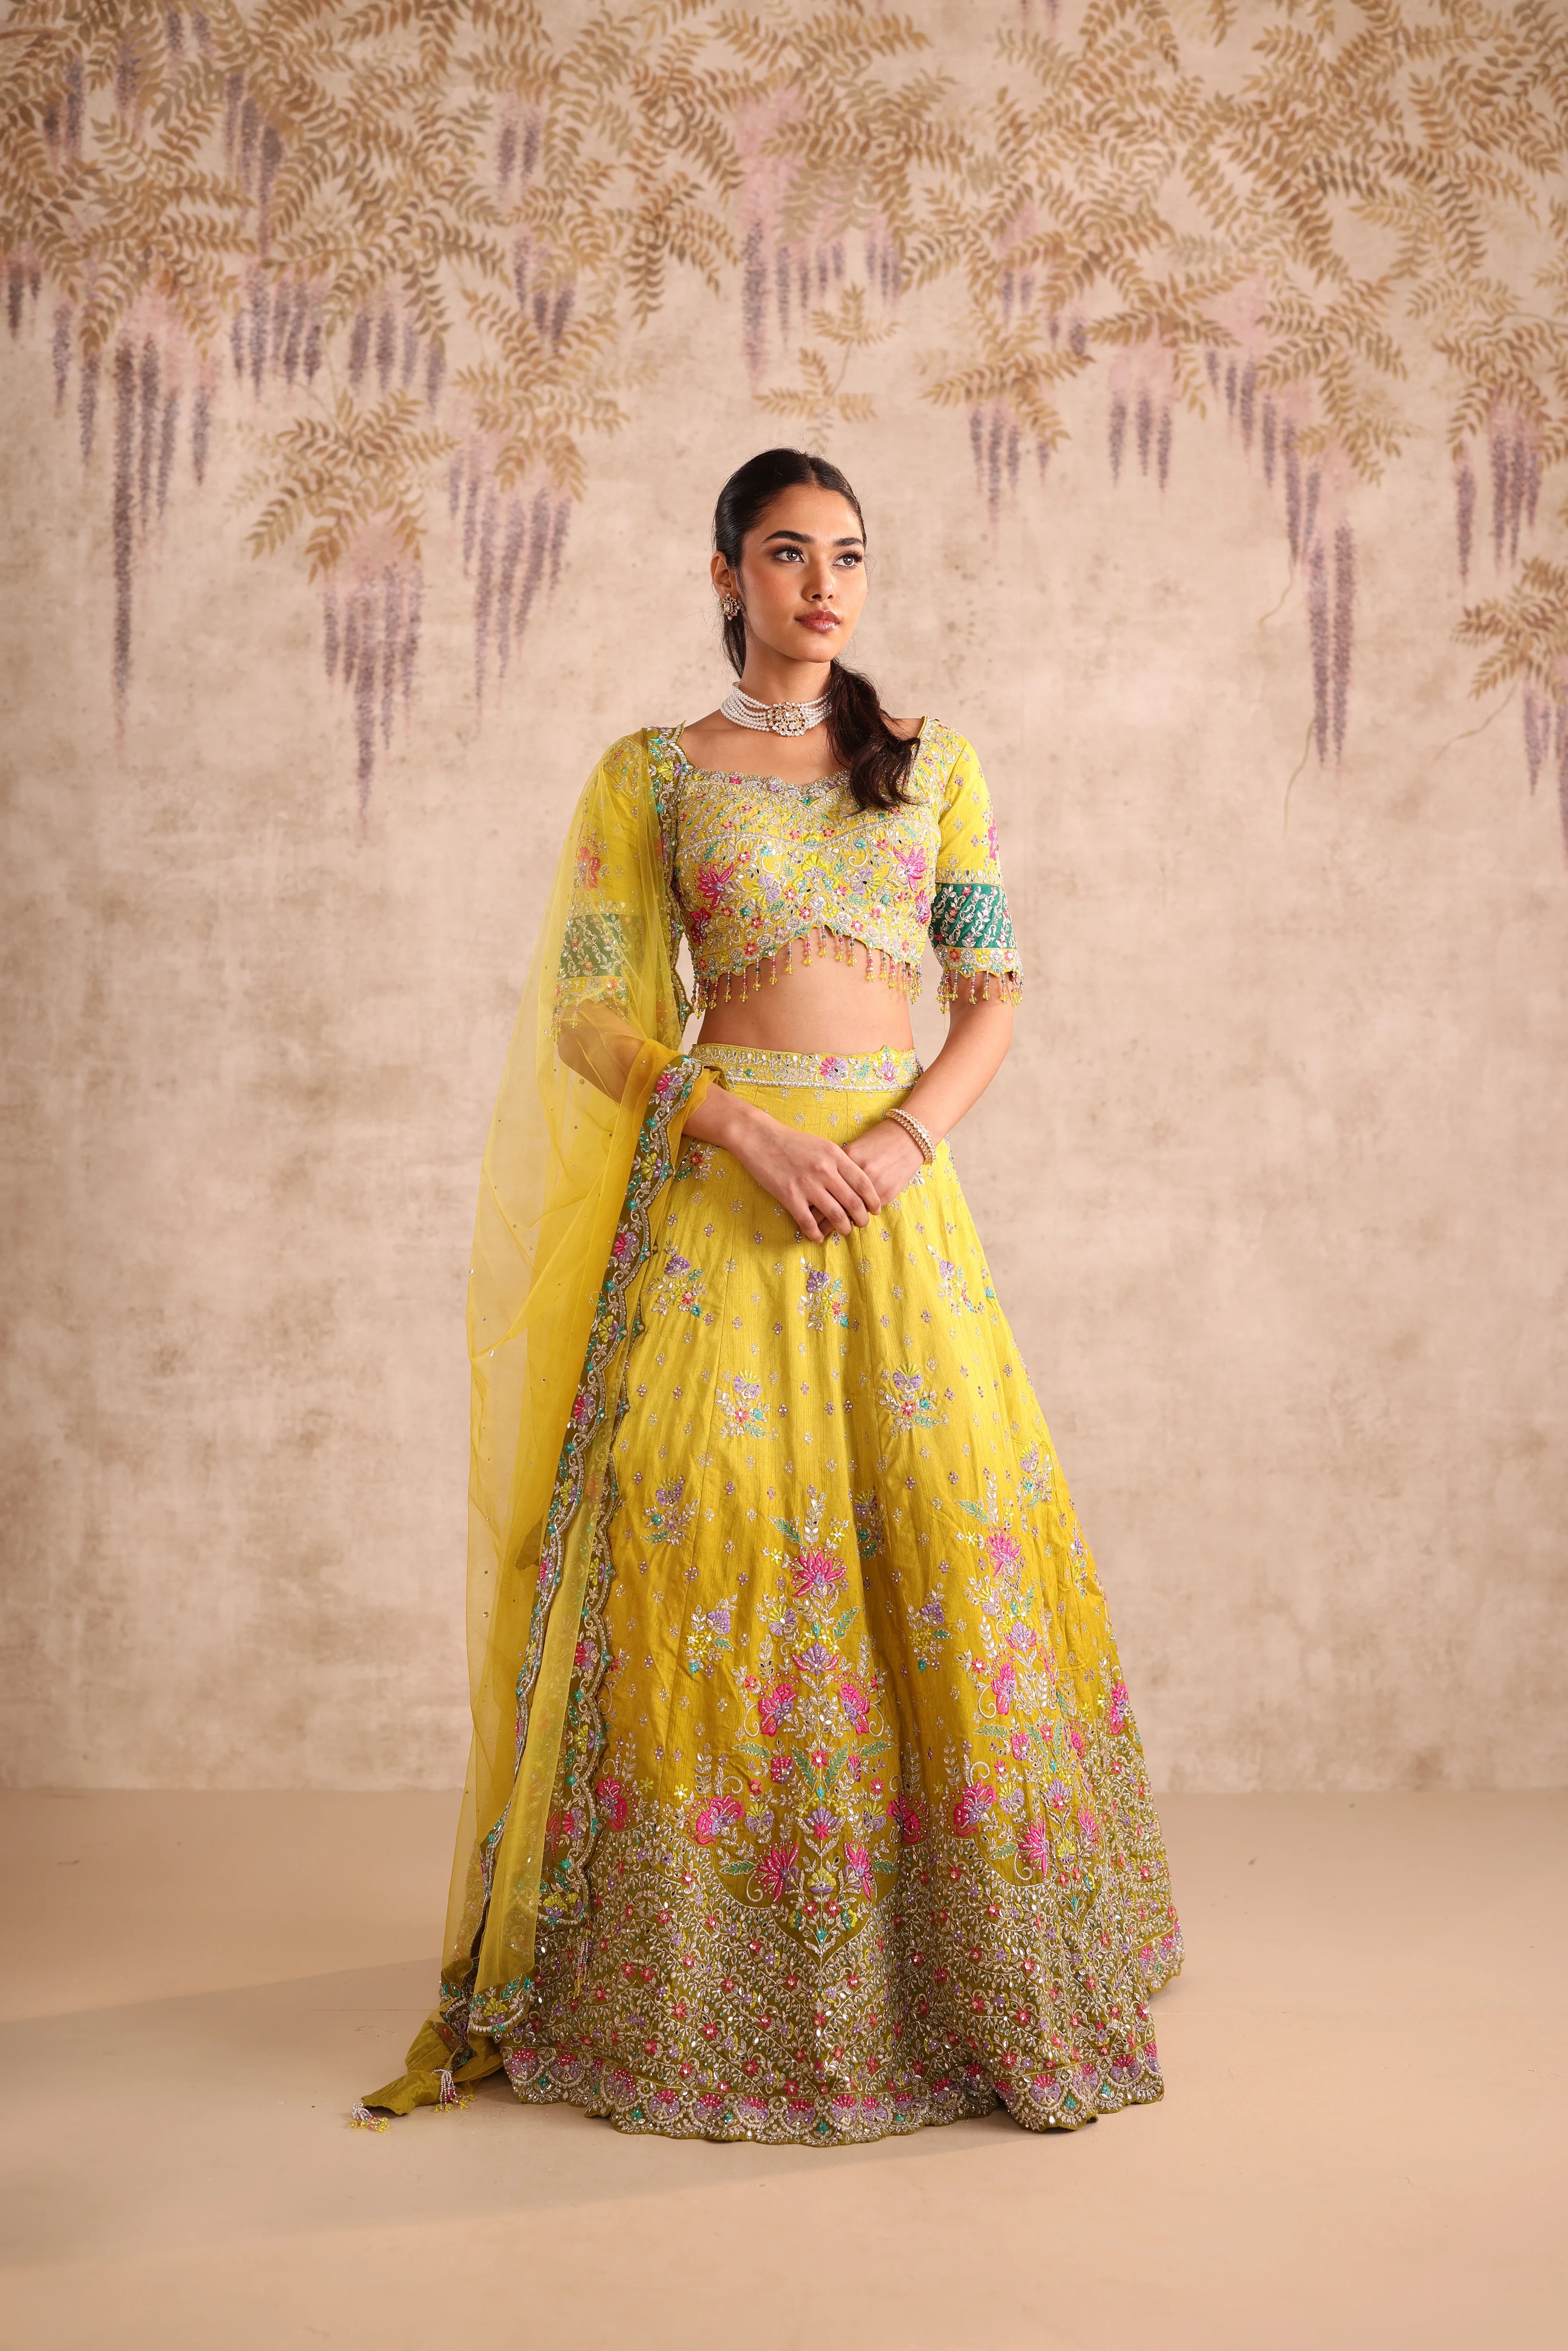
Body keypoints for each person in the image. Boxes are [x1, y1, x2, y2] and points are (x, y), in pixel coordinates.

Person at [356, 447, 1182, 2144]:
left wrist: (897, 1145)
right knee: (701, 1547)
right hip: (721, 1204)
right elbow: (594, 1016)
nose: (824, 585)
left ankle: (965, 1965)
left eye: (850, 556)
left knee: (942, 1541)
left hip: (891, 1211)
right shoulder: (651, 776)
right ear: (725, 573)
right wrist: (736, 1127)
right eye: (790, 553)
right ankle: (681, 1968)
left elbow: (995, 994)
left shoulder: (932, 765)